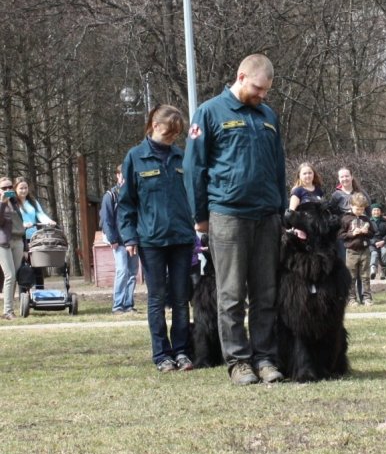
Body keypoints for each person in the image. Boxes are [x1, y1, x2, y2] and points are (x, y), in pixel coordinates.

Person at [183, 53, 287, 386]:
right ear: (241, 77)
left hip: (267, 215)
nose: (262, 96)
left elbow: (278, 167)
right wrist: (200, 216)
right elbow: (194, 168)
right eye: (258, 88)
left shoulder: (268, 116)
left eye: (266, 91)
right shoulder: (209, 113)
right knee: (230, 294)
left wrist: (280, 209)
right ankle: (239, 362)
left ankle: (265, 358)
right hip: (227, 215)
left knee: (266, 293)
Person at [117, 105, 196, 373]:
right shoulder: (135, 157)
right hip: (151, 241)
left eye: (177, 133)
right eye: (169, 132)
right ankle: (162, 354)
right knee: (157, 298)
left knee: (181, 298)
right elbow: (126, 203)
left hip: (182, 239)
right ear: (154, 125)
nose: (173, 137)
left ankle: (183, 351)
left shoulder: (180, 157)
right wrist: (129, 237)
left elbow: (191, 195)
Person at [100, 165, 139, 314]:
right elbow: (106, 219)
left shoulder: (134, 194)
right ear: (117, 175)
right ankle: (117, 305)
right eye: (122, 174)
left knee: (132, 273)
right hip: (119, 241)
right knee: (122, 271)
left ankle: (128, 304)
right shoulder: (110, 195)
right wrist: (112, 239)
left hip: (133, 240)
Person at [14, 177, 56, 289]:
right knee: (22, 267)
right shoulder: (13, 203)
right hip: (20, 239)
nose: (24, 190)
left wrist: (49, 221)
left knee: (37, 265)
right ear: (15, 189)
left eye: (25, 188)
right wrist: (22, 225)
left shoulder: (33, 202)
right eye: (21, 188)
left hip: (34, 239)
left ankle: (40, 291)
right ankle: (24, 293)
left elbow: (41, 215)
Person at [339, 192, 373, 306]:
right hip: (351, 251)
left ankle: (367, 298)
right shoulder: (345, 219)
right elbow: (340, 235)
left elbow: (373, 233)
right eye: (357, 209)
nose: (360, 211)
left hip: (365, 250)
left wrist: (367, 232)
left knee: (365, 275)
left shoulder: (366, 219)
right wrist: (351, 233)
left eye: (362, 209)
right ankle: (351, 298)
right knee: (351, 276)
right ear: (351, 206)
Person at [0, 177, 27, 320]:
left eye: (9, 187)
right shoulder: (2, 203)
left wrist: (26, 247)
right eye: (4, 188)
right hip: (3, 243)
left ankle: (9, 310)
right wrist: (2, 202)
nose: (7, 190)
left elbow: (21, 224)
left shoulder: (15, 203)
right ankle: (8, 311)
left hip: (18, 241)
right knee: (9, 275)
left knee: (14, 276)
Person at [369, 203, 386, 280]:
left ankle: (383, 271)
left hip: (383, 243)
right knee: (374, 253)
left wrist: (383, 241)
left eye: (378, 210)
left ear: (381, 212)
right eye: (374, 210)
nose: (376, 212)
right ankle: (373, 270)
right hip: (372, 243)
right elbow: (368, 235)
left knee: (385, 252)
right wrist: (374, 242)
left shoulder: (385, 221)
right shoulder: (368, 221)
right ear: (371, 212)